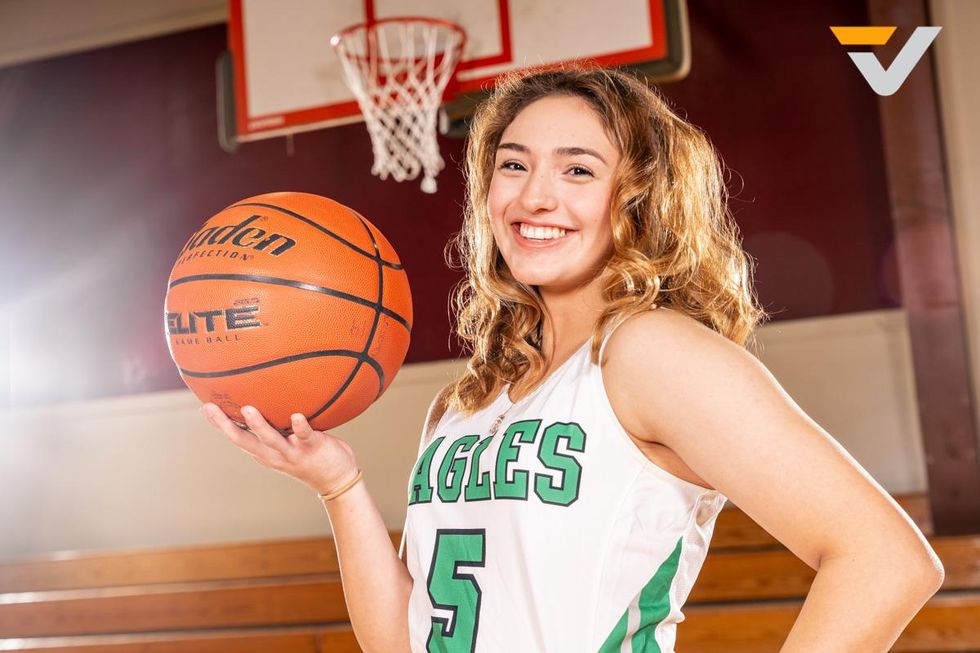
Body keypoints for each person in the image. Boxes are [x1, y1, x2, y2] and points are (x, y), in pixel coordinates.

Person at [201, 66, 945, 653]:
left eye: (578, 170)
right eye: (513, 165)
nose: (535, 196)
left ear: (640, 197)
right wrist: (338, 484)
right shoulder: (466, 401)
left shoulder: (649, 352)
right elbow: (404, 639)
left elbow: (885, 560)